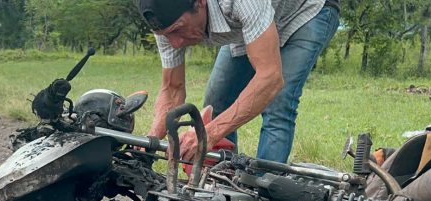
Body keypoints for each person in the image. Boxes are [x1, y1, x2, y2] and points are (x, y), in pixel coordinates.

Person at [137, 0, 340, 164]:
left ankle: (265, 196)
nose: (175, 43)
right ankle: (223, 180)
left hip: (306, 11)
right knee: (217, 100)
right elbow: (173, 89)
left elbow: (269, 79)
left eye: (178, 30)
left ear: (200, 3)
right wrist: (151, 141)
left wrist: (211, 133)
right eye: (166, 35)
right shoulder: (168, 24)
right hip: (253, 20)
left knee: (278, 103)